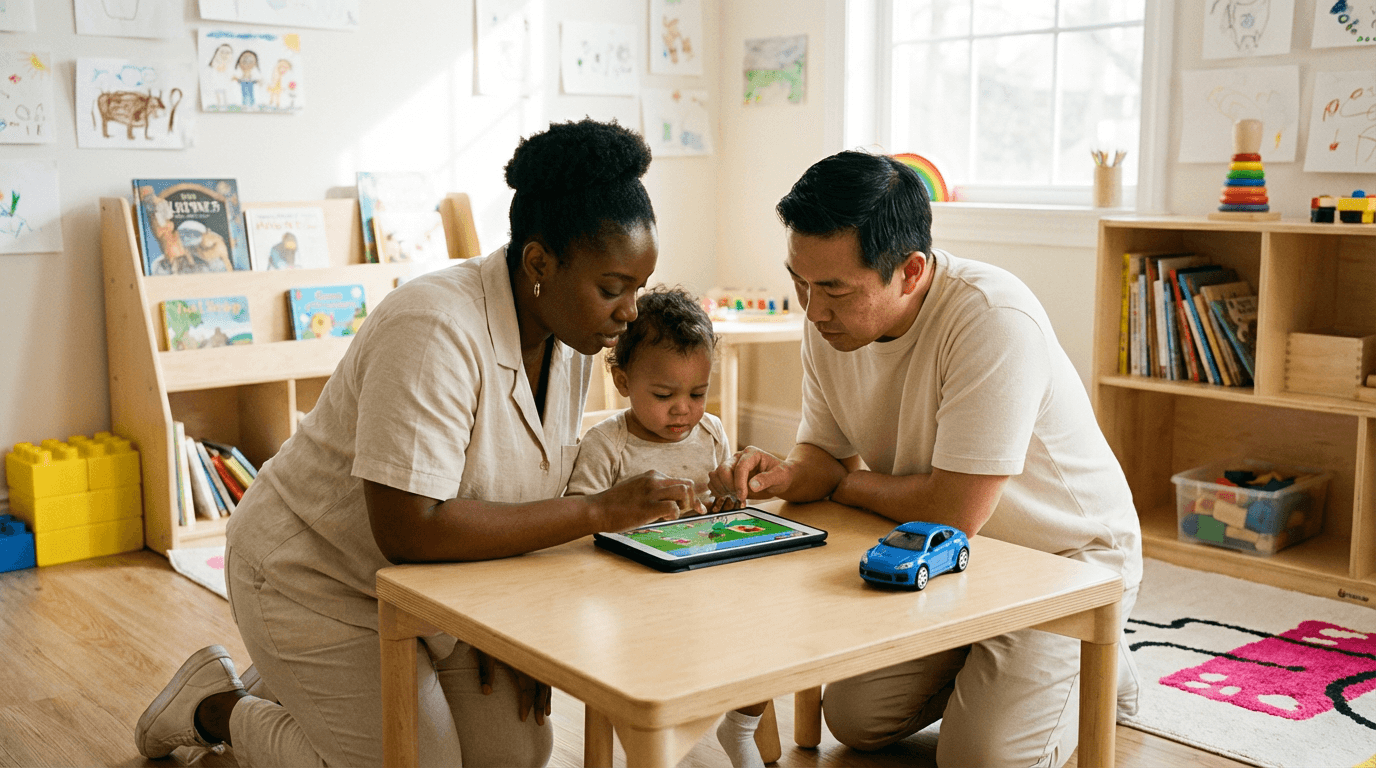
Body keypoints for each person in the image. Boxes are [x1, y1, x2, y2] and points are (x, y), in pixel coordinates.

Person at [135, 119, 703, 767]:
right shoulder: (433, 327)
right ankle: (215, 707)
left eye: (638, 288)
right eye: (613, 288)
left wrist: (510, 625)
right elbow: (410, 528)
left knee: (514, 755)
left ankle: (298, 688)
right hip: (313, 579)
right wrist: (598, 510)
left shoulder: (572, 333)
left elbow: (518, 492)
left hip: (435, 587)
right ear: (539, 264)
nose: (630, 312)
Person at [708, 149, 1143, 768]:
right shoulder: (831, 323)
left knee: (978, 762)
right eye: (800, 281)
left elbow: (952, 510)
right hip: (947, 557)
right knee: (855, 720)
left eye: (833, 288)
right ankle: (1006, 669)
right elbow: (824, 453)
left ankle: (1103, 660)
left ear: (910, 271)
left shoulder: (992, 319)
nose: (812, 308)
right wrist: (790, 473)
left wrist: (842, 485)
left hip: (1065, 563)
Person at [564, 287, 766, 768]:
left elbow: (720, 509)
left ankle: (742, 727)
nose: (683, 409)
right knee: (653, 675)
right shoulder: (606, 444)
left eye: (697, 393)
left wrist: (729, 500)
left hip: (706, 583)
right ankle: (657, 746)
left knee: (763, 635)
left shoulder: (710, 432)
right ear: (622, 380)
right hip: (634, 598)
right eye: (663, 395)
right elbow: (575, 520)